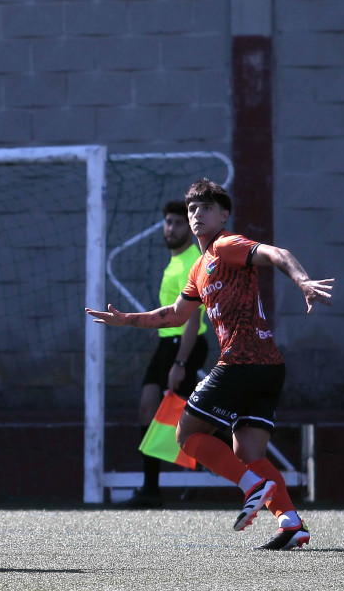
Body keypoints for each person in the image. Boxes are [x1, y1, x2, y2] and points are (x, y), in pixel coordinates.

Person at [86, 178, 334, 550]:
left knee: (185, 435)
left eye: (205, 207)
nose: (197, 214)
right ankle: (290, 522)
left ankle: (252, 485)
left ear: (224, 214)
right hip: (268, 367)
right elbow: (174, 314)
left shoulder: (226, 246)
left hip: (242, 362)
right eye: (192, 209)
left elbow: (277, 253)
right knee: (248, 453)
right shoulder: (198, 268)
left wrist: (302, 281)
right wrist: (127, 320)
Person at [121, 200, 209, 508]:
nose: (170, 229)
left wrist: (181, 363)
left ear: (189, 227)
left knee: (192, 422)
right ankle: (150, 490)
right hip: (165, 344)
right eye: (168, 223)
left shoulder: (191, 262)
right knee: (148, 408)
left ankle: (242, 468)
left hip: (185, 345)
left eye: (177, 223)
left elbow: (193, 318)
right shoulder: (174, 260)